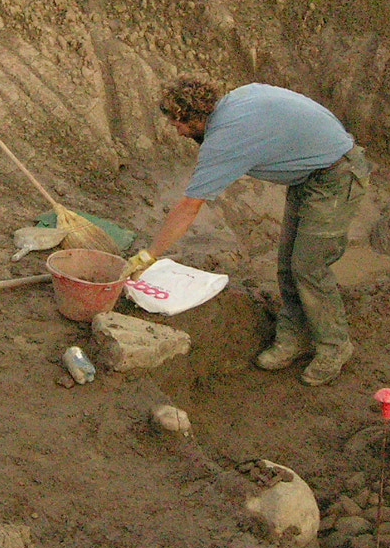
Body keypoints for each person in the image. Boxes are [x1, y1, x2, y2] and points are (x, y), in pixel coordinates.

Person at [134, 78, 372, 386]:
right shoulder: (237, 98)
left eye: (177, 123)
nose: (176, 131)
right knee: (289, 265)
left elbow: (189, 208)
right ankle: (295, 336)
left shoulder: (225, 139)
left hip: (337, 176)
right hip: (310, 174)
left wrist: (148, 255)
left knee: (309, 267)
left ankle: (334, 347)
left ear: (195, 118)